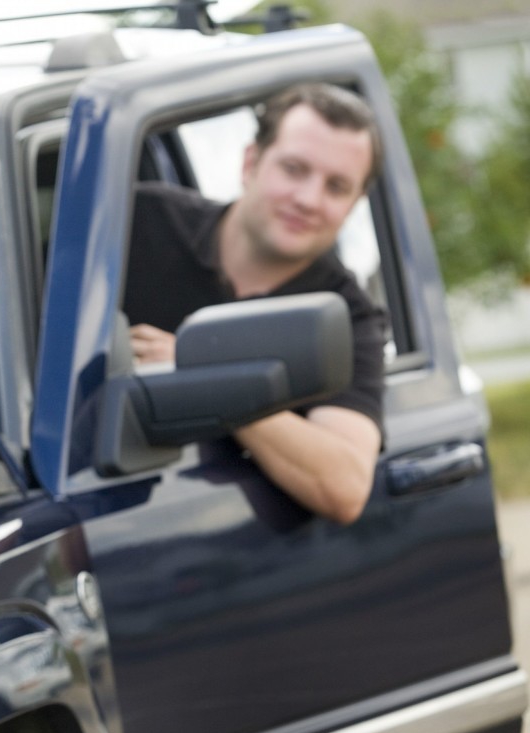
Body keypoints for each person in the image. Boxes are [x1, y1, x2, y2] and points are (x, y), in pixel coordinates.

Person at [123, 83, 387, 525]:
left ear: (354, 205)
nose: (308, 199)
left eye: (336, 186)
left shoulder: (348, 316)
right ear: (251, 162)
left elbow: (344, 486)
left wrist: (202, 379)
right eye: (294, 169)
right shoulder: (136, 223)